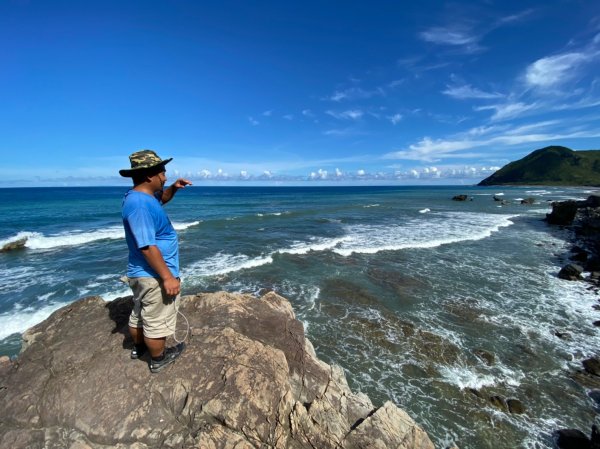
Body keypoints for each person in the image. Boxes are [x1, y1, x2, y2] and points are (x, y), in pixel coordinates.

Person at [119, 149, 192, 373]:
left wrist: (173, 189)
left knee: (140, 313)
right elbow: (147, 246)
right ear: (150, 175)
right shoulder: (140, 206)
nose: (165, 176)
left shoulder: (144, 197)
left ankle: (138, 348)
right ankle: (158, 359)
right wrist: (167, 277)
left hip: (142, 273)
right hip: (154, 275)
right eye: (162, 172)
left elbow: (162, 199)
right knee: (156, 321)